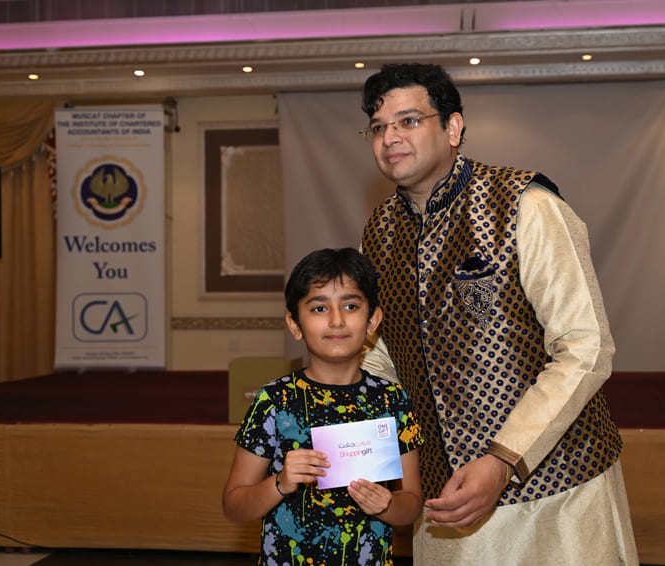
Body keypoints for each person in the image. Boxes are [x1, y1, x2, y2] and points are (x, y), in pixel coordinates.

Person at [358, 63, 639, 565]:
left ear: (453, 127)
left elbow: (584, 348)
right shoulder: (378, 233)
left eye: (408, 121)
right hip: (446, 501)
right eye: (378, 127)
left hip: (556, 491)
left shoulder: (525, 204)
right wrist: (337, 429)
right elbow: (379, 361)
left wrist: (503, 459)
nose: (390, 137)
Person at [222, 247, 424, 566]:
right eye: (319, 308)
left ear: (372, 320)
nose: (336, 320)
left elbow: (411, 505)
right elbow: (234, 506)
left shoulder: (391, 400)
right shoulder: (274, 401)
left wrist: (387, 504)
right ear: (294, 324)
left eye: (350, 306)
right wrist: (280, 483)